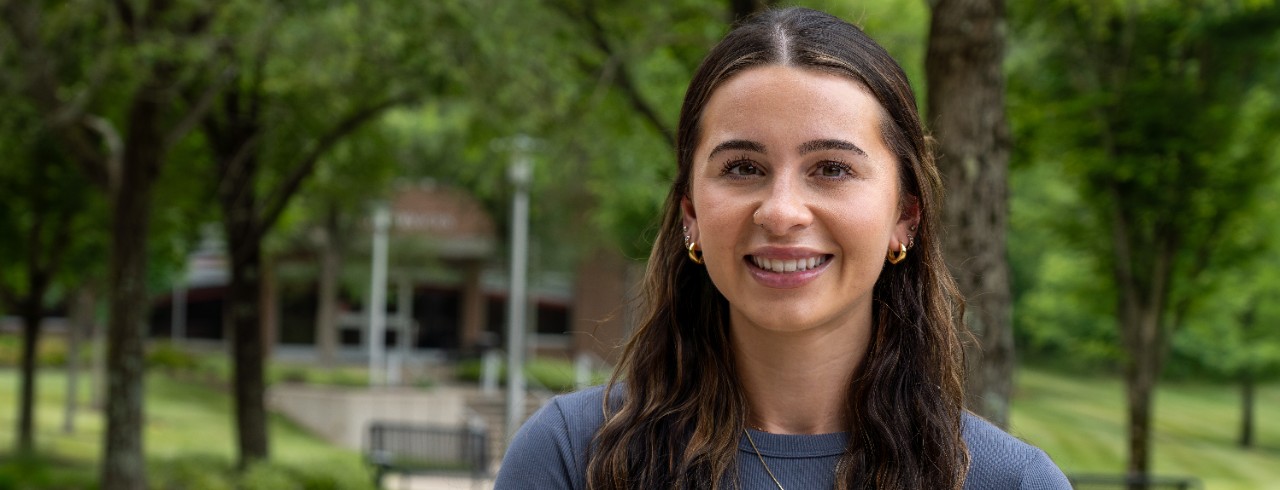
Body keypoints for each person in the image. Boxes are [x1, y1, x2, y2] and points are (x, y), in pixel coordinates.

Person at [495, 7, 1070, 489]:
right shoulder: (573, 458)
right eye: (743, 167)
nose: (782, 211)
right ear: (691, 213)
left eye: (832, 169)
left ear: (905, 216)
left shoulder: (1011, 482)